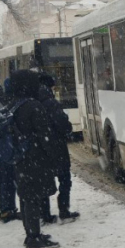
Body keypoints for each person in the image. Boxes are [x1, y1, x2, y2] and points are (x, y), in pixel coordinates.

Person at [10, 69, 60, 248]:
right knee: (32, 197)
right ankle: (34, 237)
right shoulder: (33, 106)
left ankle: (31, 232)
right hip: (35, 157)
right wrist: (52, 156)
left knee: (25, 196)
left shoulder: (13, 104)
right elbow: (45, 135)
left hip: (20, 157)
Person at [38, 73, 79, 223]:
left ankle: (45, 214)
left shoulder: (33, 101)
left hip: (40, 148)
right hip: (56, 146)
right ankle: (63, 210)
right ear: (51, 87)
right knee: (64, 179)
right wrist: (68, 130)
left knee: (44, 180)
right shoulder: (51, 102)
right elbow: (62, 123)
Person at [0, 77, 21, 223]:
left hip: (3, 147)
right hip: (11, 146)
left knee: (5, 179)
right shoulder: (14, 102)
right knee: (12, 179)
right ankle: (8, 209)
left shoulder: (0, 101)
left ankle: (5, 208)